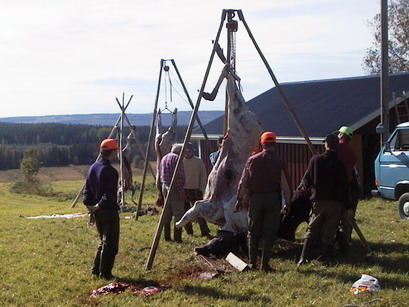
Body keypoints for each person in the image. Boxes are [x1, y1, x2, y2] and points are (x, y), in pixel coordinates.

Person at [235, 131, 292, 272]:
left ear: (262, 144)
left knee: (253, 231)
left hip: (256, 198)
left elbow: (243, 182)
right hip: (273, 199)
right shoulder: (279, 162)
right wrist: (288, 203)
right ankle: (265, 265)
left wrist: (239, 199)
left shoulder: (252, 160)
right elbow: (286, 186)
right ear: (275, 144)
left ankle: (252, 263)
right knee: (269, 232)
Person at [297, 134, 351, 266]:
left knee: (312, 228)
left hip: (318, 201)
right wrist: (348, 206)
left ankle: (302, 258)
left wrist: (301, 189)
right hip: (335, 203)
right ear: (336, 146)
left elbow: (307, 180)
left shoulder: (315, 160)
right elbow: (345, 187)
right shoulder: (340, 165)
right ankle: (324, 259)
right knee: (329, 231)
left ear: (326, 144)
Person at [83, 138, 120, 280]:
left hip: (96, 210)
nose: (116, 154)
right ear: (111, 153)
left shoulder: (93, 167)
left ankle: (95, 270)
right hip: (107, 211)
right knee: (110, 244)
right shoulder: (111, 171)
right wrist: (98, 206)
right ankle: (105, 274)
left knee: (102, 241)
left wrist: (90, 207)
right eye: (115, 151)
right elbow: (109, 195)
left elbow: (87, 189)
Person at [336, 126, 360, 254]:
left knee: (340, 216)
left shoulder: (336, 149)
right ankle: (346, 241)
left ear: (341, 135)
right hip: (352, 187)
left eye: (339, 133)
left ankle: (340, 243)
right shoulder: (352, 153)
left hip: (340, 187)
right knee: (349, 215)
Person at [183, 142, 211, 237]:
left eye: (189, 151)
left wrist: (201, 188)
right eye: (186, 151)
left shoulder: (198, 161)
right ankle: (189, 231)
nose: (187, 153)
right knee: (185, 211)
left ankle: (204, 231)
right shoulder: (180, 162)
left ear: (192, 151)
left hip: (196, 190)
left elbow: (203, 176)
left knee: (199, 212)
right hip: (184, 190)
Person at [160, 143, 186, 242]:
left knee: (167, 212)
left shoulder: (164, 158)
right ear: (180, 151)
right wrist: (181, 191)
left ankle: (167, 237)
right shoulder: (177, 159)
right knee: (178, 213)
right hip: (174, 187)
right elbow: (179, 177)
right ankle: (177, 238)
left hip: (164, 186)